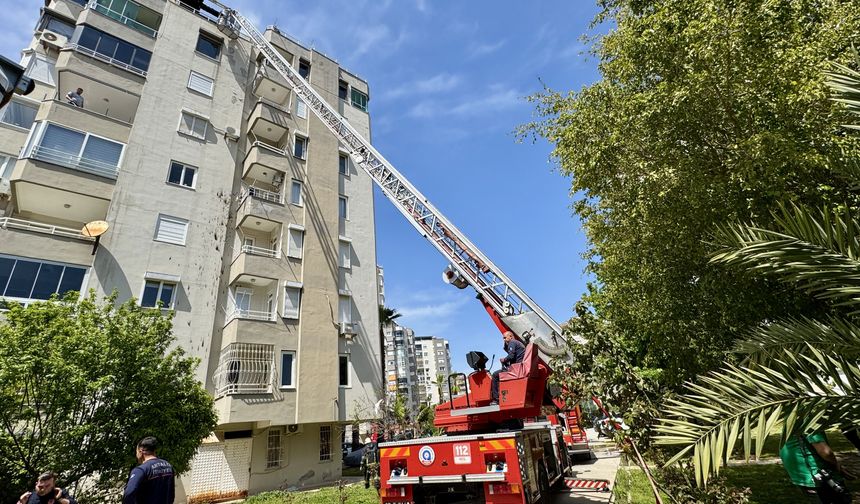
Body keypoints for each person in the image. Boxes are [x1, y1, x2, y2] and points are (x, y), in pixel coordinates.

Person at [780, 430, 854, 503]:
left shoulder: (791, 421)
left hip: (804, 477)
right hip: (821, 477)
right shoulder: (809, 421)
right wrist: (837, 466)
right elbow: (826, 453)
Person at [123, 436, 175, 504]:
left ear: (140, 451)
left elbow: (129, 493)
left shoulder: (141, 470)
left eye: (136, 451)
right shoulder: (168, 466)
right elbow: (171, 493)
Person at [490, 331, 525, 405]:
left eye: (505, 338)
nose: (504, 340)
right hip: (519, 367)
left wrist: (503, 359)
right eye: (503, 338)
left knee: (495, 375)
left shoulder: (512, 342)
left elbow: (510, 356)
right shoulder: (518, 343)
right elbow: (510, 353)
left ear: (511, 337)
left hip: (515, 369)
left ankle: (496, 399)